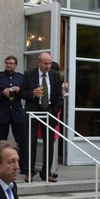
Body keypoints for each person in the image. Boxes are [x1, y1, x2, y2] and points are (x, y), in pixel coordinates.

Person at [20, 52, 63, 183]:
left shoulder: (55, 75)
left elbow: (59, 96)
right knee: (30, 142)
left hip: (49, 110)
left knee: (49, 143)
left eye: (49, 63)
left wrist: (54, 112)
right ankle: (29, 172)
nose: (48, 66)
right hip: (33, 109)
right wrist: (32, 93)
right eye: (45, 63)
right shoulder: (29, 74)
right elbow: (21, 93)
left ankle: (46, 173)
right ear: (39, 62)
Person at [0, 55, 27, 175]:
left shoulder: (21, 77)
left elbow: (26, 95)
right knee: (2, 142)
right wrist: (2, 93)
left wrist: (19, 91)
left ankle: (22, 166)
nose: (9, 65)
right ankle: (1, 166)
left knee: (22, 141)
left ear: (16, 65)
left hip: (17, 113)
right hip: (2, 113)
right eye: (7, 63)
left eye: (11, 63)